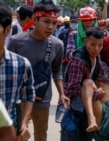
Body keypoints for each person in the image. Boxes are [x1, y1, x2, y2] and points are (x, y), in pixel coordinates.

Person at [7, 1, 70, 141]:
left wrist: (62, 93)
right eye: (46, 21)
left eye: (54, 23)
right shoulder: (16, 42)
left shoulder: (57, 45)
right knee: (17, 135)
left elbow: (56, 70)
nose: (50, 27)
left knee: (41, 135)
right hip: (18, 99)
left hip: (42, 98)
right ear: (35, 20)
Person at [0, 2, 35, 141]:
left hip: (10, 134)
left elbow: (29, 94)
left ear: (7, 29)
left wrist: (24, 123)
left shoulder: (21, 64)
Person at [62, 27, 104, 141]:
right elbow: (73, 87)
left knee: (86, 136)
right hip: (74, 105)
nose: (96, 48)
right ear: (85, 42)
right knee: (72, 133)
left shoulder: (96, 57)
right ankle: (92, 119)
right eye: (93, 44)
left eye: (100, 45)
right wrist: (95, 95)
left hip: (87, 104)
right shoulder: (78, 61)